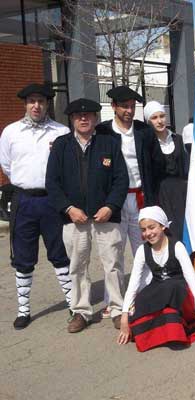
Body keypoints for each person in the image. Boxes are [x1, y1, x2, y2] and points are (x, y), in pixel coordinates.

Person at [46, 98, 129, 332]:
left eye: (89, 115)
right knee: (77, 265)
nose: (84, 119)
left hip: (105, 216)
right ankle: (81, 311)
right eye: (78, 116)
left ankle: (115, 308)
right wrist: (69, 209)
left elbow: (121, 179)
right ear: (72, 119)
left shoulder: (109, 143)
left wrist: (110, 206)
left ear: (95, 118)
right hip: (74, 218)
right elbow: (52, 183)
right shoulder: (61, 145)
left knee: (112, 264)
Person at [0, 83, 71, 330]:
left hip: (53, 200)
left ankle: (73, 304)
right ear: (25, 104)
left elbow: (66, 167)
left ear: (48, 103)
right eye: (32, 101)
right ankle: (23, 310)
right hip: (24, 200)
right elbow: (7, 165)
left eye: (41, 101)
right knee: (22, 256)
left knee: (60, 253)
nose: (36, 106)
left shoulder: (61, 131)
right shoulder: (11, 132)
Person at [96, 86, 164, 318]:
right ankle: (113, 300)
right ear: (113, 107)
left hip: (141, 197)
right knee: (113, 252)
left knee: (143, 249)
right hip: (114, 201)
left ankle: (144, 295)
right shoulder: (102, 132)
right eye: (124, 106)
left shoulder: (144, 131)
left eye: (132, 106)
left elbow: (156, 164)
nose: (129, 110)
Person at [117, 206, 195, 352]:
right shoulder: (142, 251)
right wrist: (124, 318)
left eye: (152, 227)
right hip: (159, 288)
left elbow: (192, 281)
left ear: (162, 226)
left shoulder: (177, 246)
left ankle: (173, 326)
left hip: (179, 291)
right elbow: (133, 284)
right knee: (141, 298)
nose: (148, 233)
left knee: (170, 288)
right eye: (144, 230)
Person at [144, 101, 188, 240]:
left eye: (162, 116)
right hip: (160, 194)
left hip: (181, 192)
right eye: (154, 117)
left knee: (182, 228)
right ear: (148, 121)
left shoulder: (178, 139)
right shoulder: (147, 144)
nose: (159, 121)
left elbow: (185, 166)